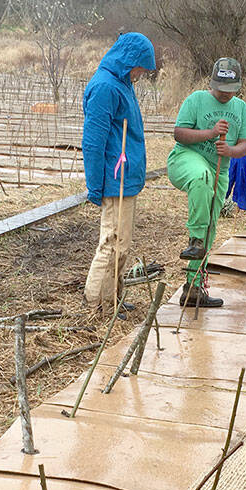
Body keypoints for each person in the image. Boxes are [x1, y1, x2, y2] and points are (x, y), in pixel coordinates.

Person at [167, 58, 246, 308]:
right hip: (187, 159)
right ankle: (194, 241)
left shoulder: (240, 109)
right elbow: (179, 133)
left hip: (220, 169)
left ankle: (193, 289)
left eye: (231, 89)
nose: (225, 94)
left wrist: (230, 150)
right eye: (220, 88)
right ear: (212, 83)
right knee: (202, 179)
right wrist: (211, 133)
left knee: (211, 227)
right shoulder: (195, 100)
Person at [81, 32, 157, 313]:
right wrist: (95, 186)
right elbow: (93, 141)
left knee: (122, 243)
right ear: (129, 61)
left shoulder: (122, 83)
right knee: (112, 242)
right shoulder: (105, 87)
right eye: (140, 67)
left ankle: (112, 298)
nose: (141, 74)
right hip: (115, 179)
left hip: (127, 178)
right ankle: (95, 304)